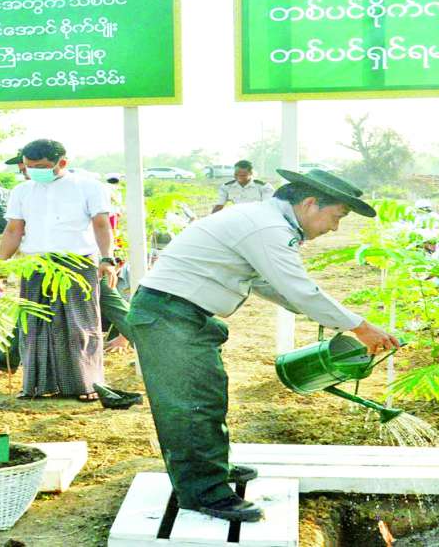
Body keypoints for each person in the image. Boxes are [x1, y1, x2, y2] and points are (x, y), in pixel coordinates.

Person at [127, 169, 398, 522]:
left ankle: (213, 467)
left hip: (178, 313)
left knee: (206, 394)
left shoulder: (259, 219)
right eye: (336, 217)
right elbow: (298, 287)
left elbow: (271, 285)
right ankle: (203, 493)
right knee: (190, 404)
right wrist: (359, 326)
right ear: (311, 203)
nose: (334, 228)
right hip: (169, 314)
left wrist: (327, 315)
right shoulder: (268, 227)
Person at [0, 138, 116, 402]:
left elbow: (101, 224)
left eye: (41, 166)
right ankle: (37, 385)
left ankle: (87, 384)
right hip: (35, 264)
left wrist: (107, 258)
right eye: (29, 166)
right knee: (35, 325)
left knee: (79, 324)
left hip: (77, 263)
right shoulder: (22, 190)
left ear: (62, 163)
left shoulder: (88, 187)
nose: (33, 171)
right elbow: (14, 229)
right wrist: (1, 264)